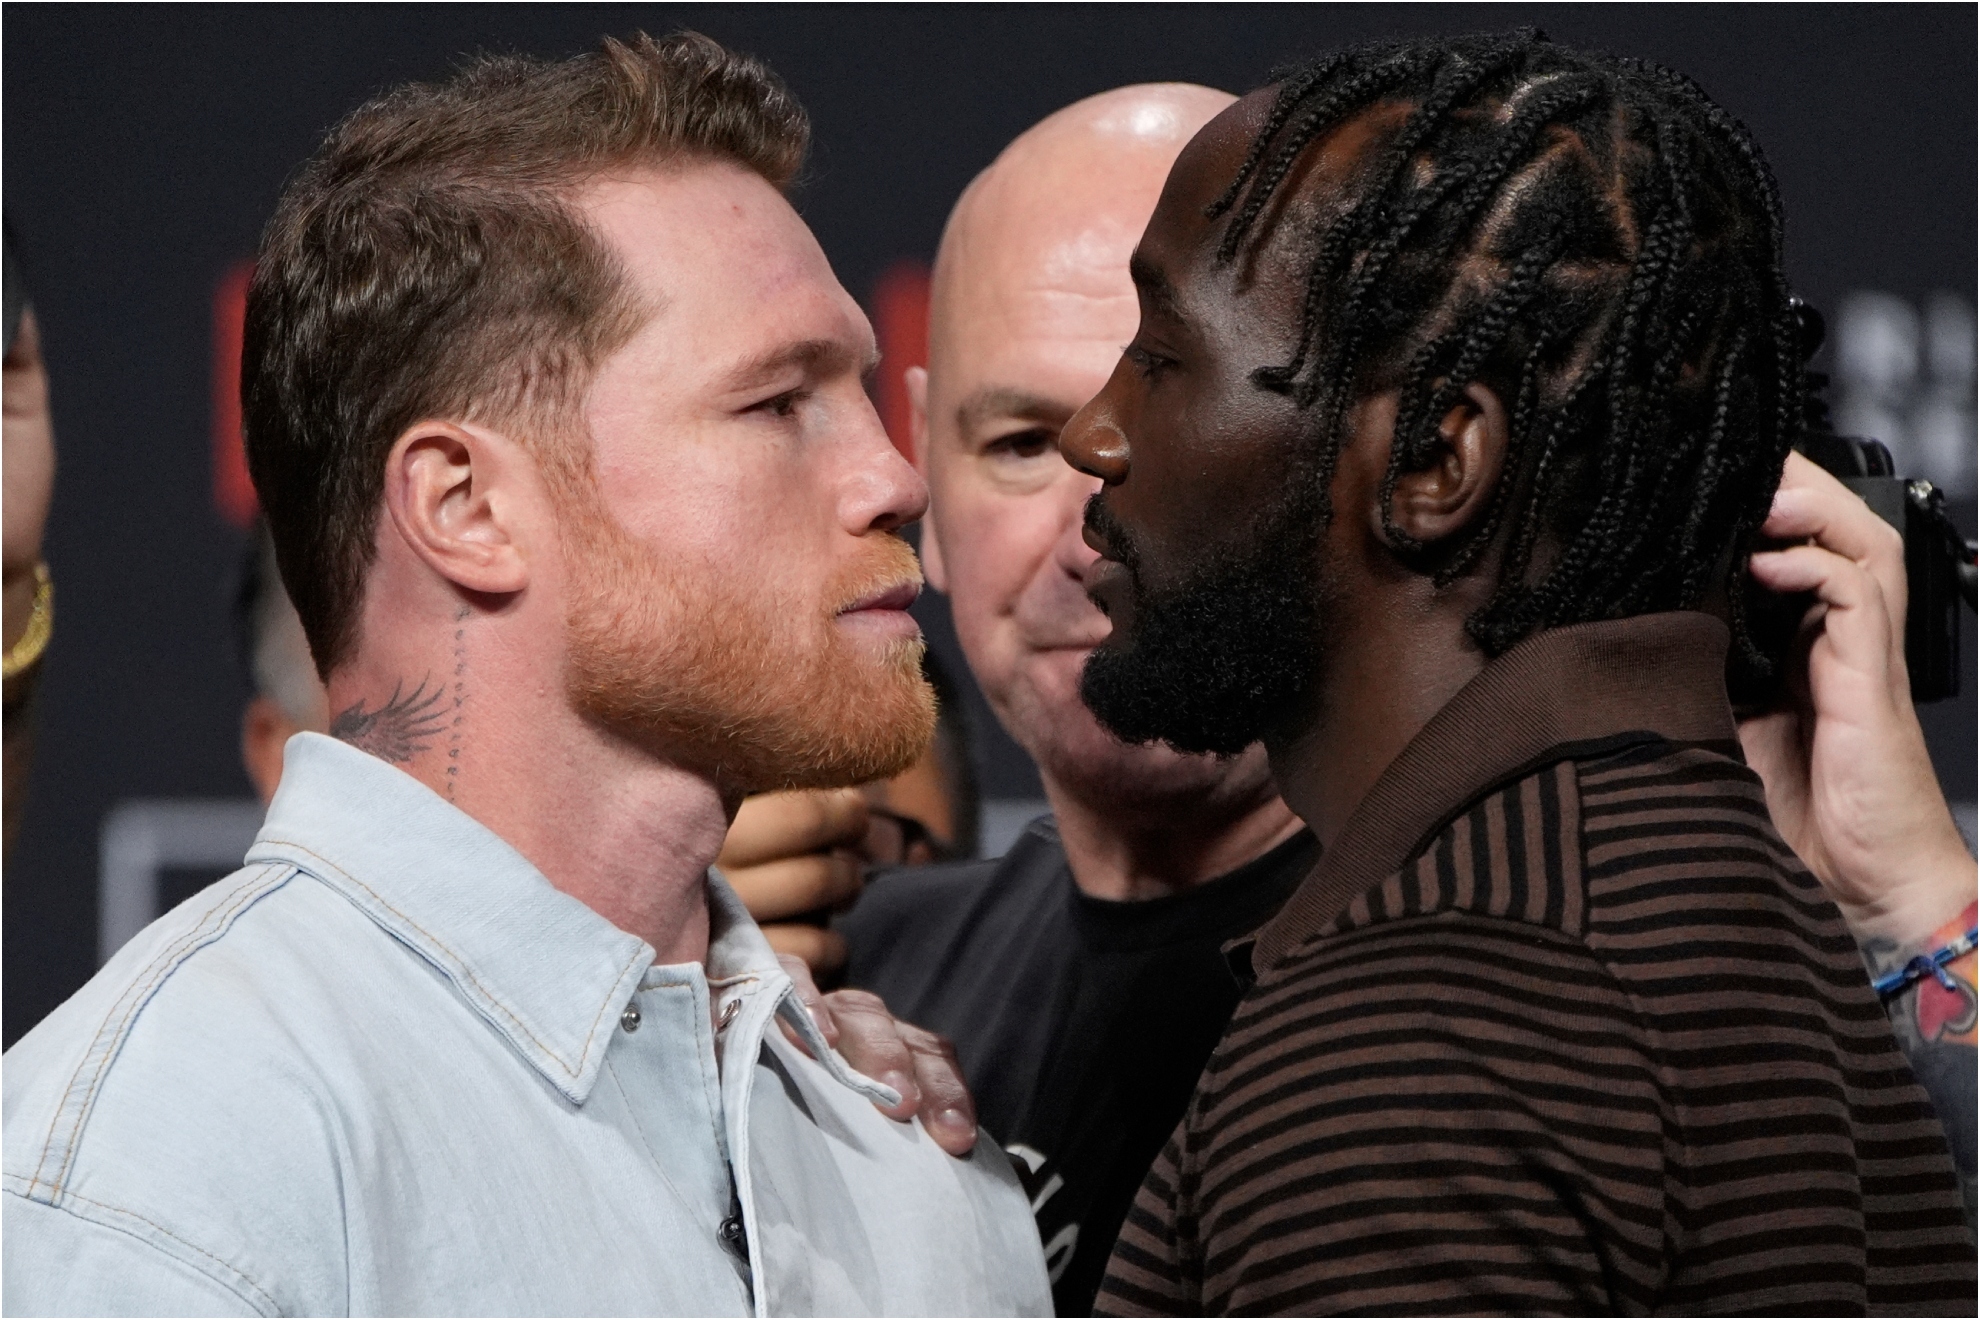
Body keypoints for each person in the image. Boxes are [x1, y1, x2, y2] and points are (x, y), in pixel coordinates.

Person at [831, 78, 1978, 1316]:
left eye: (1163, 363)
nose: (1098, 449)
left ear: (1438, 460)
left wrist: (1925, 907)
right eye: (1016, 439)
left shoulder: (1417, 1042)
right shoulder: (1679, 902)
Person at [2, 32, 1049, 1316]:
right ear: (467, 507)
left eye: (862, 392)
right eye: (779, 403)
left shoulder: (914, 1157)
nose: (893, 477)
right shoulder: (170, 1169)